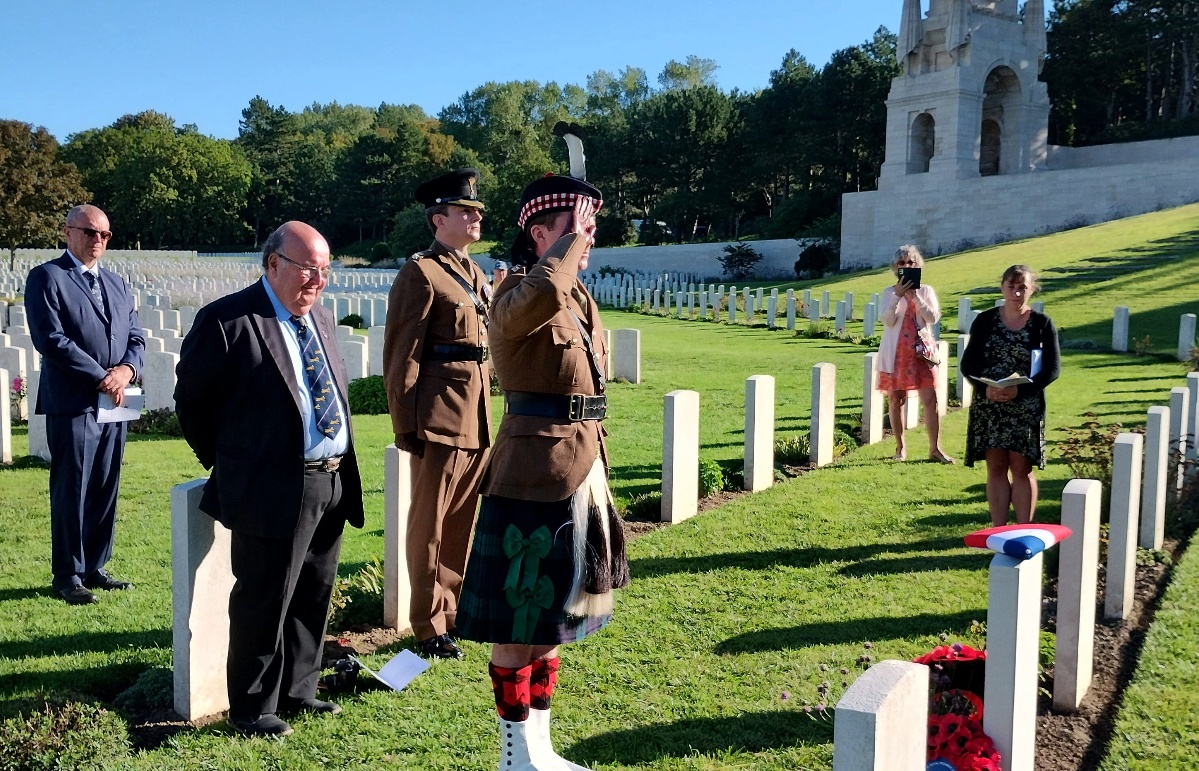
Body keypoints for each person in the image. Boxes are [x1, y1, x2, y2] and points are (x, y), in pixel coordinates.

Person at [456, 176, 628, 771]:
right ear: (540, 234)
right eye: (576, 230)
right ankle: (513, 755)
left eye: (590, 230)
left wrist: (573, 243)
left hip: (580, 466)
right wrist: (568, 245)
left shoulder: (579, 298)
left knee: (555, 617)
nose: (588, 240)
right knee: (520, 614)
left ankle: (539, 748)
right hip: (533, 475)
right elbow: (544, 287)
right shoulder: (513, 295)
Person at [174, 221, 365, 737]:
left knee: (313, 592)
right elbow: (193, 405)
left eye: (325, 271)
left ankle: (300, 689)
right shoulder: (228, 321)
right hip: (269, 485)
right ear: (273, 263)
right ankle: (252, 707)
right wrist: (235, 463)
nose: (317, 282)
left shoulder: (320, 318)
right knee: (265, 597)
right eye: (308, 270)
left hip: (330, 479)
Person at [383, 168, 493, 660]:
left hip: (478, 414)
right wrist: (406, 426)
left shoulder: (476, 272)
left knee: (462, 520)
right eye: (464, 211)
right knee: (428, 524)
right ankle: (427, 626)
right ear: (437, 219)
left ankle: (452, 610)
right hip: (440, 417)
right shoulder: (420, 273)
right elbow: (401, 356)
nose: (474, 217)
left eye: (476, 211)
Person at [25, 204, 144, 605]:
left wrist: (126, 370)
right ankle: (69, 574)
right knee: (72, 487)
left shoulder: (117, 283)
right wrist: (101, 376)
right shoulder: (47, 277)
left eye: (105, 235)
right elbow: (51, 339)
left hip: (116, 400)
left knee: (105, 485)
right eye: (90, 232)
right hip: (75, 401)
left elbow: (137, 337)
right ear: (68, 232)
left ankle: (95, 565)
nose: (98, 241)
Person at [961, 264, 1060, 526]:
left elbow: (1051, 369)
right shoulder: (985, 321)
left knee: (1021, 469)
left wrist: (1019, 389)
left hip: (1025, 407)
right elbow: (968, 365)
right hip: (990, 405)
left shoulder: (1041, 324)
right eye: (1011, 287)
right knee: (995, 468)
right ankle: (998, 529)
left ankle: (1024, 527)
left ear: (1032, 290)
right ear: (1002, 287)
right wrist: (986, 389)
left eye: (1022, 288)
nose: (1016, 293)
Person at [878, 245, 954, 464]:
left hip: (922, 353)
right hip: (897, 354)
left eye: (910, 262)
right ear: (895, 268)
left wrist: (915, 298)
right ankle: (900, 447)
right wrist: (898, 296)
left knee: (931, 400)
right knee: (895, 399)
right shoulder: (888, 292)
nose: (906, 266)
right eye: (902, 263)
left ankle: (935, 448)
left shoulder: (926, 291)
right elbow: (887, 320)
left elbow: (932, 318)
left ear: (918, 265)